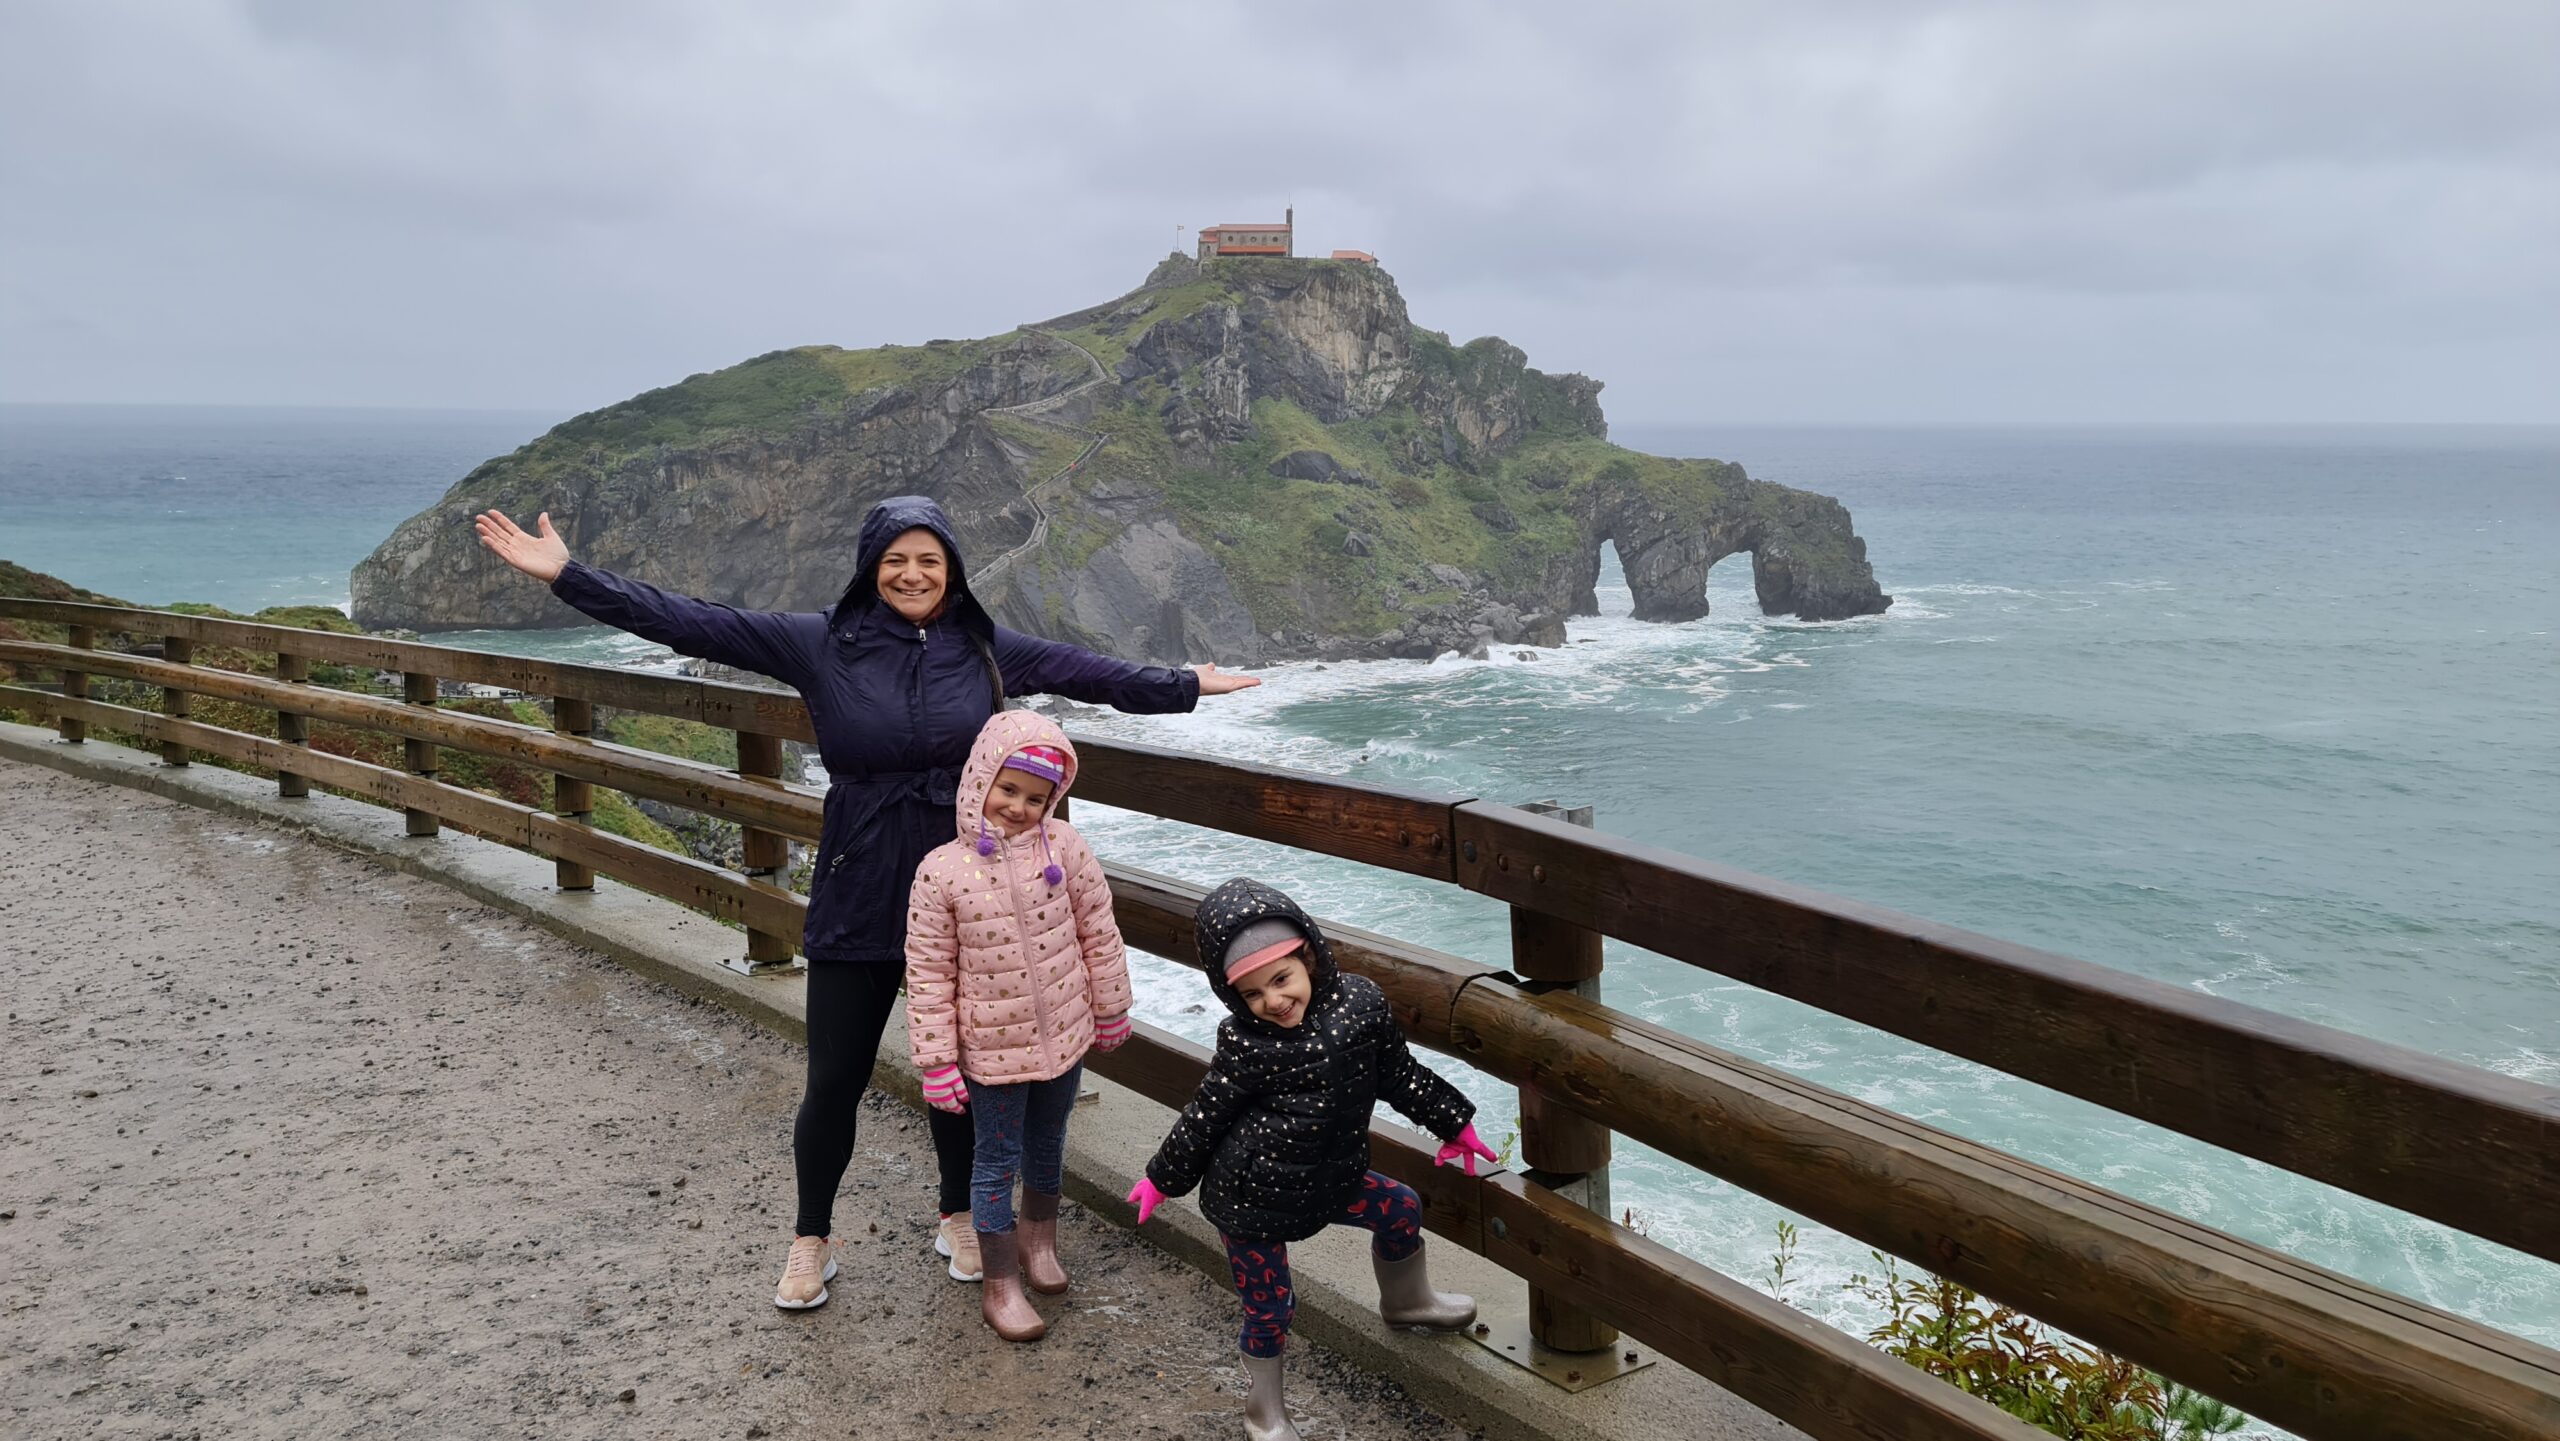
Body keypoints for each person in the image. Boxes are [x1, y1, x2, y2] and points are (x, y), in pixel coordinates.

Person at [470, 496, 1257, 1310]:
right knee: (835, 1076)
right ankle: (812, 1235)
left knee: (966, 1073)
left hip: (967, 900)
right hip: (860, 885)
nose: (912, 574)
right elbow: (690, 622)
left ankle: (958, 1214)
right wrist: (567, 576)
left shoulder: (982, 648)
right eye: (895, 560)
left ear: (951, 570)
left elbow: (1088, 670)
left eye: (929, 560)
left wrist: (1186, 684)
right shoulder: (819, 643)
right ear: (870, 568)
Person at [1124, 878, 1499, 1441]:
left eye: (1281, 979)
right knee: (1272, 1307)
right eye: (1252, 994)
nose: (1273, 1001)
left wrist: (1454, 1123)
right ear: (1234, 999)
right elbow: (1206, 1116)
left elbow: (1398, 1072)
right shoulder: (1245, 1043)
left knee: (1400, 1207)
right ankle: (1264, 1412)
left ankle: (1407, 1301)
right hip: (1252, 1198)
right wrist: (1161, 1179)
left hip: (1331, 1176)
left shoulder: (1363, 1004)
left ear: (1310, 956)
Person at [905, 710, 1128, 1341]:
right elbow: (927, 974)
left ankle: (1039, 1244)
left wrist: (1109, 1008)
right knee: (995, 1159)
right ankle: (1000, 1283)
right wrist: (938, 1061)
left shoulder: (1069, 849)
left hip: (1065, 1032)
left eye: (1037, 798)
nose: (1019, 807)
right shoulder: (940, 871)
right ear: (980, 782)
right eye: (1008, 790)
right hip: (992, 1051)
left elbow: (1098, 930)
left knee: (1049, 1142)